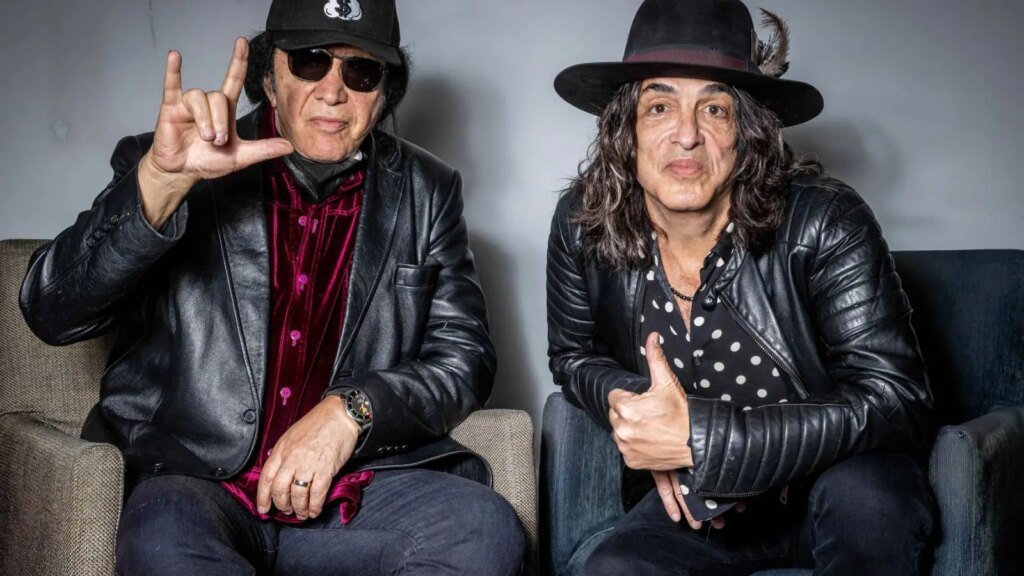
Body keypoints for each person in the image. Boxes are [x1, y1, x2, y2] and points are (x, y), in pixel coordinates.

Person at [20, 1, 524, 574]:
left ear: (383, 93)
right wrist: (161, 185)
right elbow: (49, 312)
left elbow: (465, 359)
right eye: (310, 62)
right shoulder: (174, 162)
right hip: (191, 481)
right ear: (268, 77)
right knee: (164, 551)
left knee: (485, 530)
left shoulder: (426, 191)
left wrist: (353, 411)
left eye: (361, 72)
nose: (333, 92)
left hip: (350, 490)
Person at [546, 0, 936, 573]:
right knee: (617, 567)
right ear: (625, 131)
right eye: (659, 107)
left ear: (747, 133)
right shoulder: (583, 223)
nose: (686, 136)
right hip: (702, 501)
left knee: (869, 507)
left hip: (842, 485)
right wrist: (640, 409)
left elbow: (896, 398)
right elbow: (573, 356)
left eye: (715, 109)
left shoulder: (826, 221)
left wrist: (706, 440)